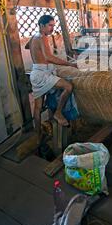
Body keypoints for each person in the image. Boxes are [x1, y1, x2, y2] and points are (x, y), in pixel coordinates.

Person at [27, 15, 77, 145]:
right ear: (41, 25)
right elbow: (49, 58)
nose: (52, 28)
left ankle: (37, 135)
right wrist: (69, 64)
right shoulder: (42, 37)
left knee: (37, 107)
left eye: (53, 26)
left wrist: (37, 50)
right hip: (42, 74)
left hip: (35, 73)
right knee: (68, 87)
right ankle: (58, 113)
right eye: (50, 25)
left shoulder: (34, 37)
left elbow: (28, 46)